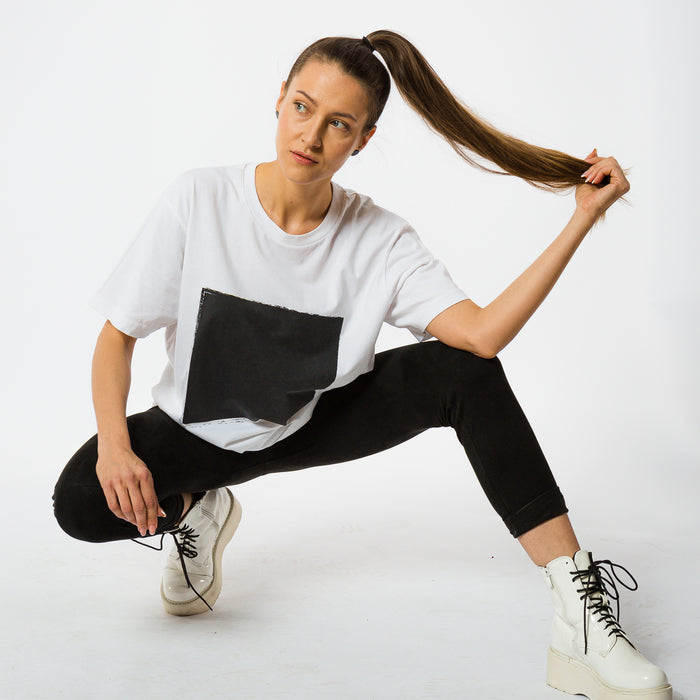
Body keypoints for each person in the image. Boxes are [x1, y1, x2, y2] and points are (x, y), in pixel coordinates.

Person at [53, 30, 671, 699]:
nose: (311, 136)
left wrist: (579, 220)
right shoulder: (200, 200)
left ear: (363, 140)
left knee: (465, 372)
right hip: (198, 432)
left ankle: (578, 619)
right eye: (301, 107)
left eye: (338, 124)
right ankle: (196, 509)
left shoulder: (379, 239)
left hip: (311, 422)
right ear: (280, 101)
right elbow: (117, 336)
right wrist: (116, 446)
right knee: (81, 502)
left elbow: (483, 334)